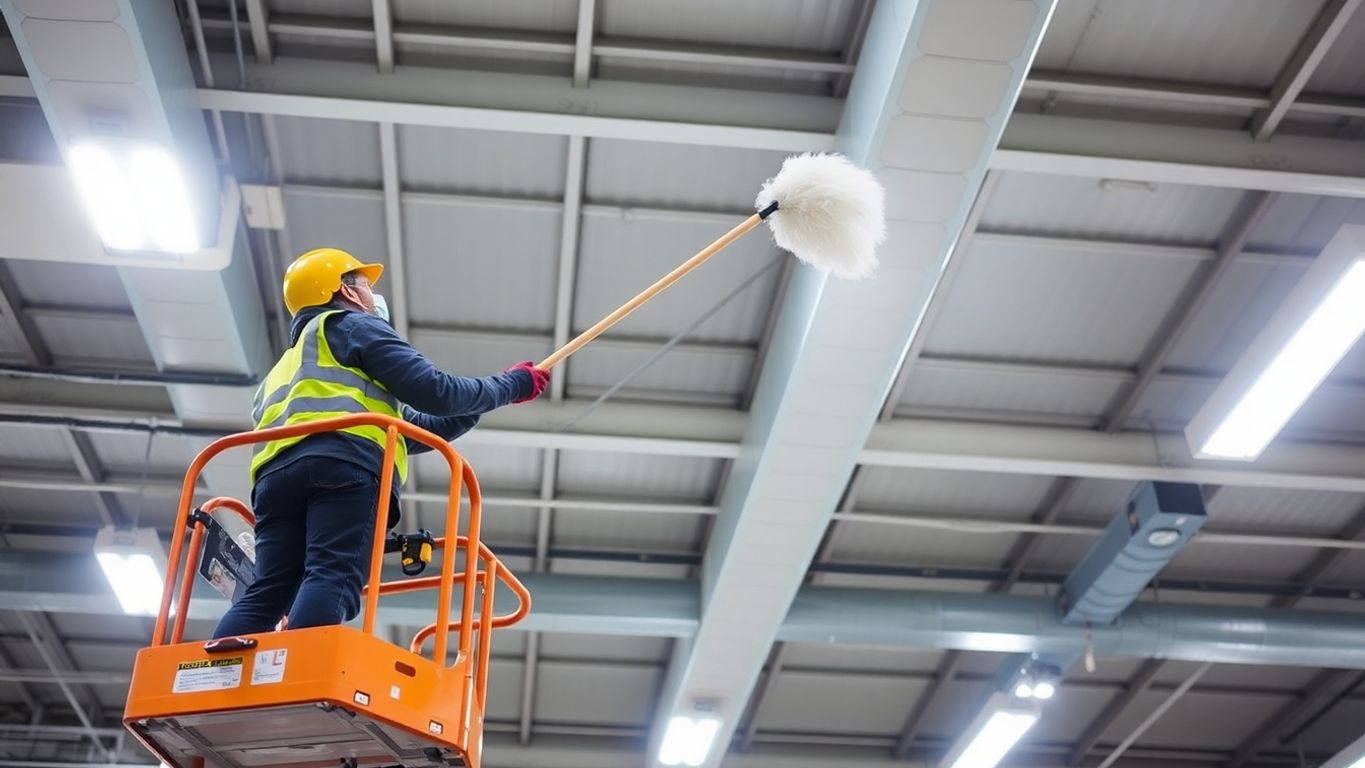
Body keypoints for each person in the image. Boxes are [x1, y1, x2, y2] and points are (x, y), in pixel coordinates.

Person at [211, 247, 549, 639]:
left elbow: (407, 427)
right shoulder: (352, 327)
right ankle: (298, 672)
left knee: (268, 591)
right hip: (343, 469)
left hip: (274, 482)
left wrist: (480, 403)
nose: (373, 296)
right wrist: (512, 385)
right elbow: (437, 391)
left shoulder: (286, 365)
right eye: (366, 285)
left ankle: (214, 677)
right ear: (346, 291)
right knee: (332, 572)